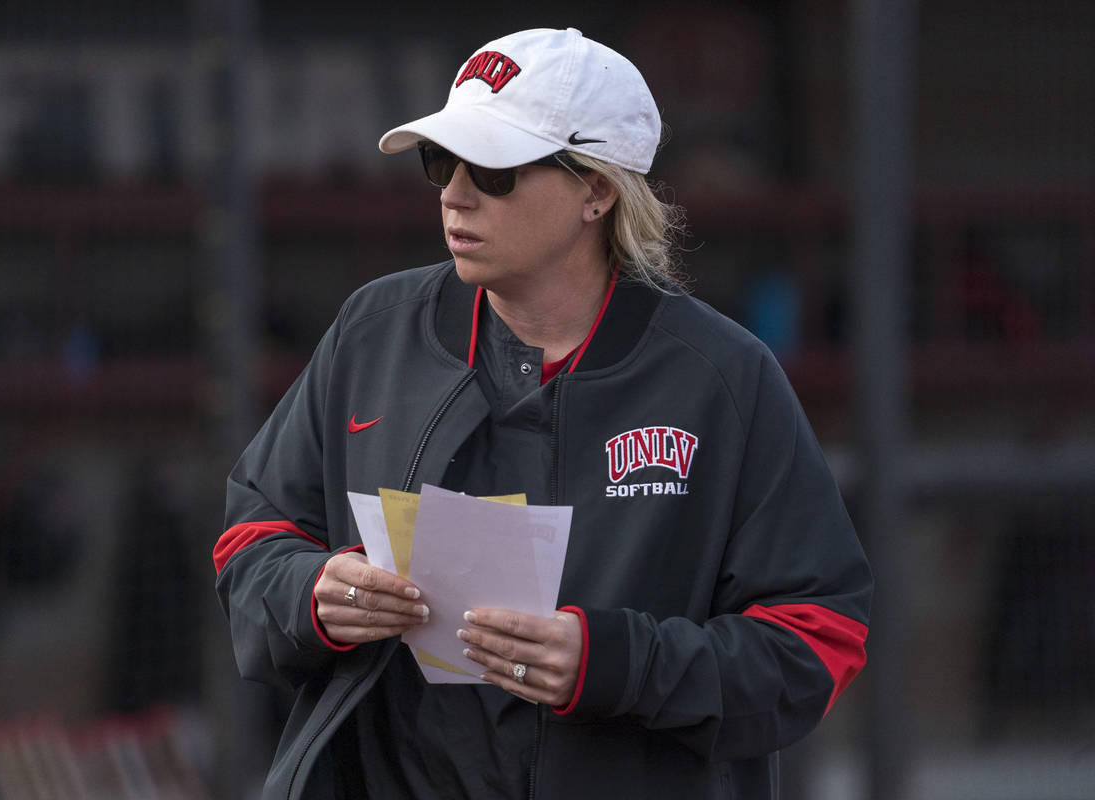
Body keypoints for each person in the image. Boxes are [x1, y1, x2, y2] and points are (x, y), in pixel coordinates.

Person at [213, 27, 872, 799]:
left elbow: (820, 638)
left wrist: (612, 662)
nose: (454, 193)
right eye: (440, 161)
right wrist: (314, 591)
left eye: (493, 170)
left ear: (598, 190)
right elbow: (250, 533)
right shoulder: (373, 329)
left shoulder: (723, 378)